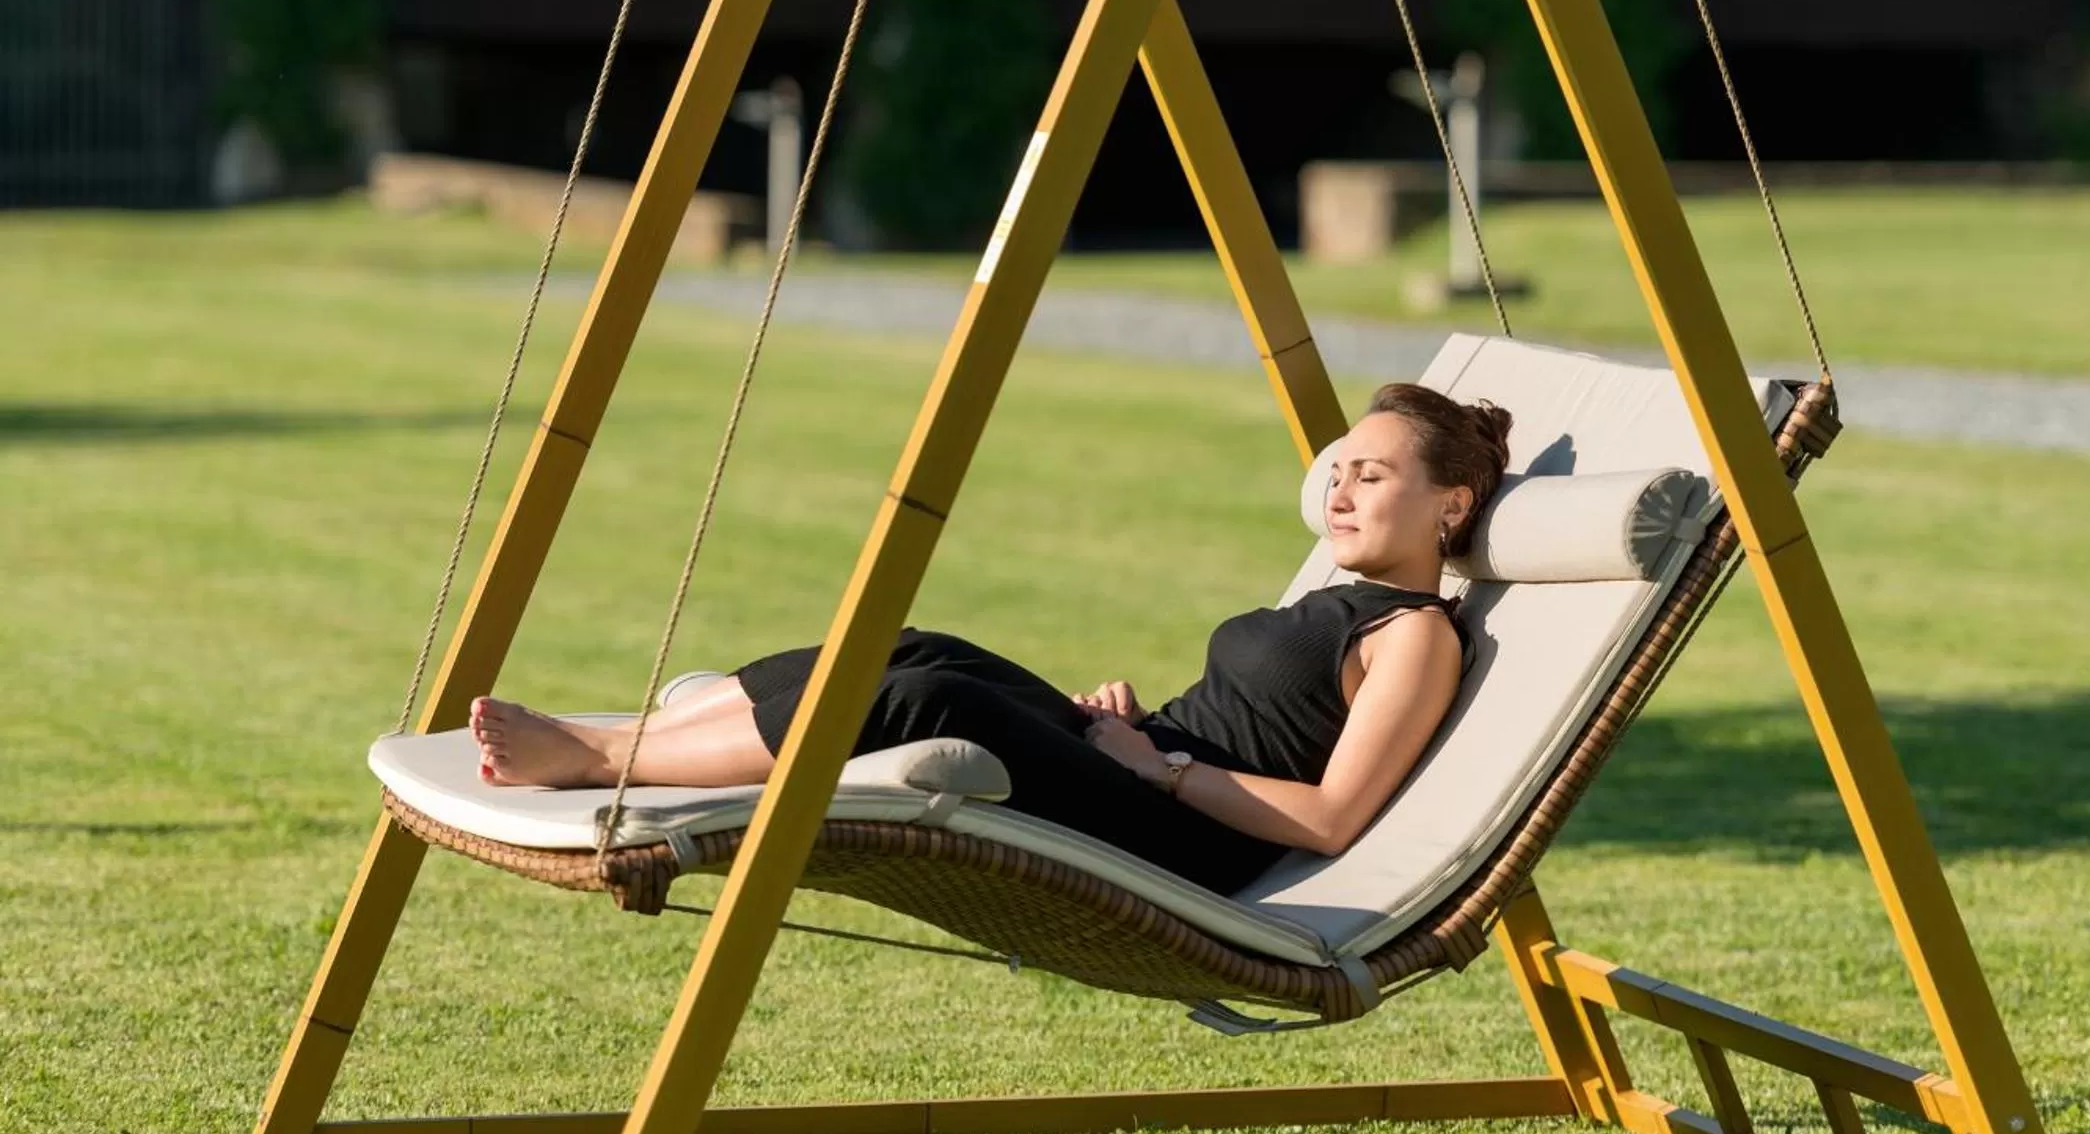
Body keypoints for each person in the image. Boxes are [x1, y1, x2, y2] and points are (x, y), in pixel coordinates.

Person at [469, 384, 1513, 894]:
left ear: (1452, 506)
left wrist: (1161, 768)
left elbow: (1330, 819)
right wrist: (1137, 732)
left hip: (1195, 837)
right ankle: (661, 724)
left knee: (940, 710)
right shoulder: (1339, 600)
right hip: (1147, 764)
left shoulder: (1416, 636)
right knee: (922, 648)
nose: (1339, 490)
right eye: (1338, 470)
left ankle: (606, 757)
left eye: (1370, 477)